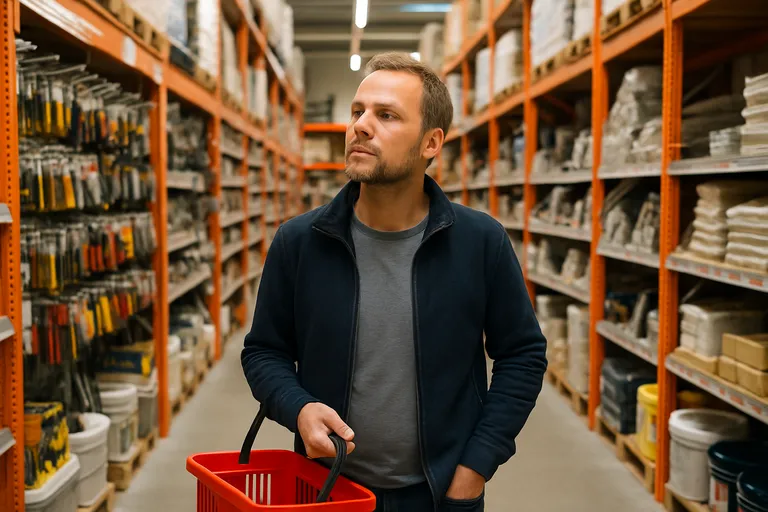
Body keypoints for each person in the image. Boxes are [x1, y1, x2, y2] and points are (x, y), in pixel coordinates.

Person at [242, 52, 548, 511]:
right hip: (326, 491)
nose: (361, 126)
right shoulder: (299, 242)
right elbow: (264, 351)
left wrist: (475, 466)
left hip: (439, 494)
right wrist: (298, 407)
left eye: (386, 115)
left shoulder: (480, 242)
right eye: (357, 111)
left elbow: (522, 356)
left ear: (431, 143)